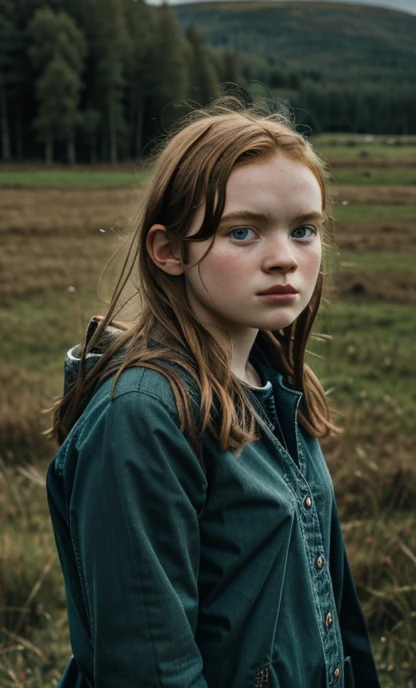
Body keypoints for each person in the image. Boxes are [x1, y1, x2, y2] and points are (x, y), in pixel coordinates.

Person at [47, 100, 380, 688]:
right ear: (168, 250)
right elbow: (149, 668)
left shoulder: (272, 379)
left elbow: (332, 604)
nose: (284, 259)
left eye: (303, 229)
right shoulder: (143, 417)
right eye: (243, 231)